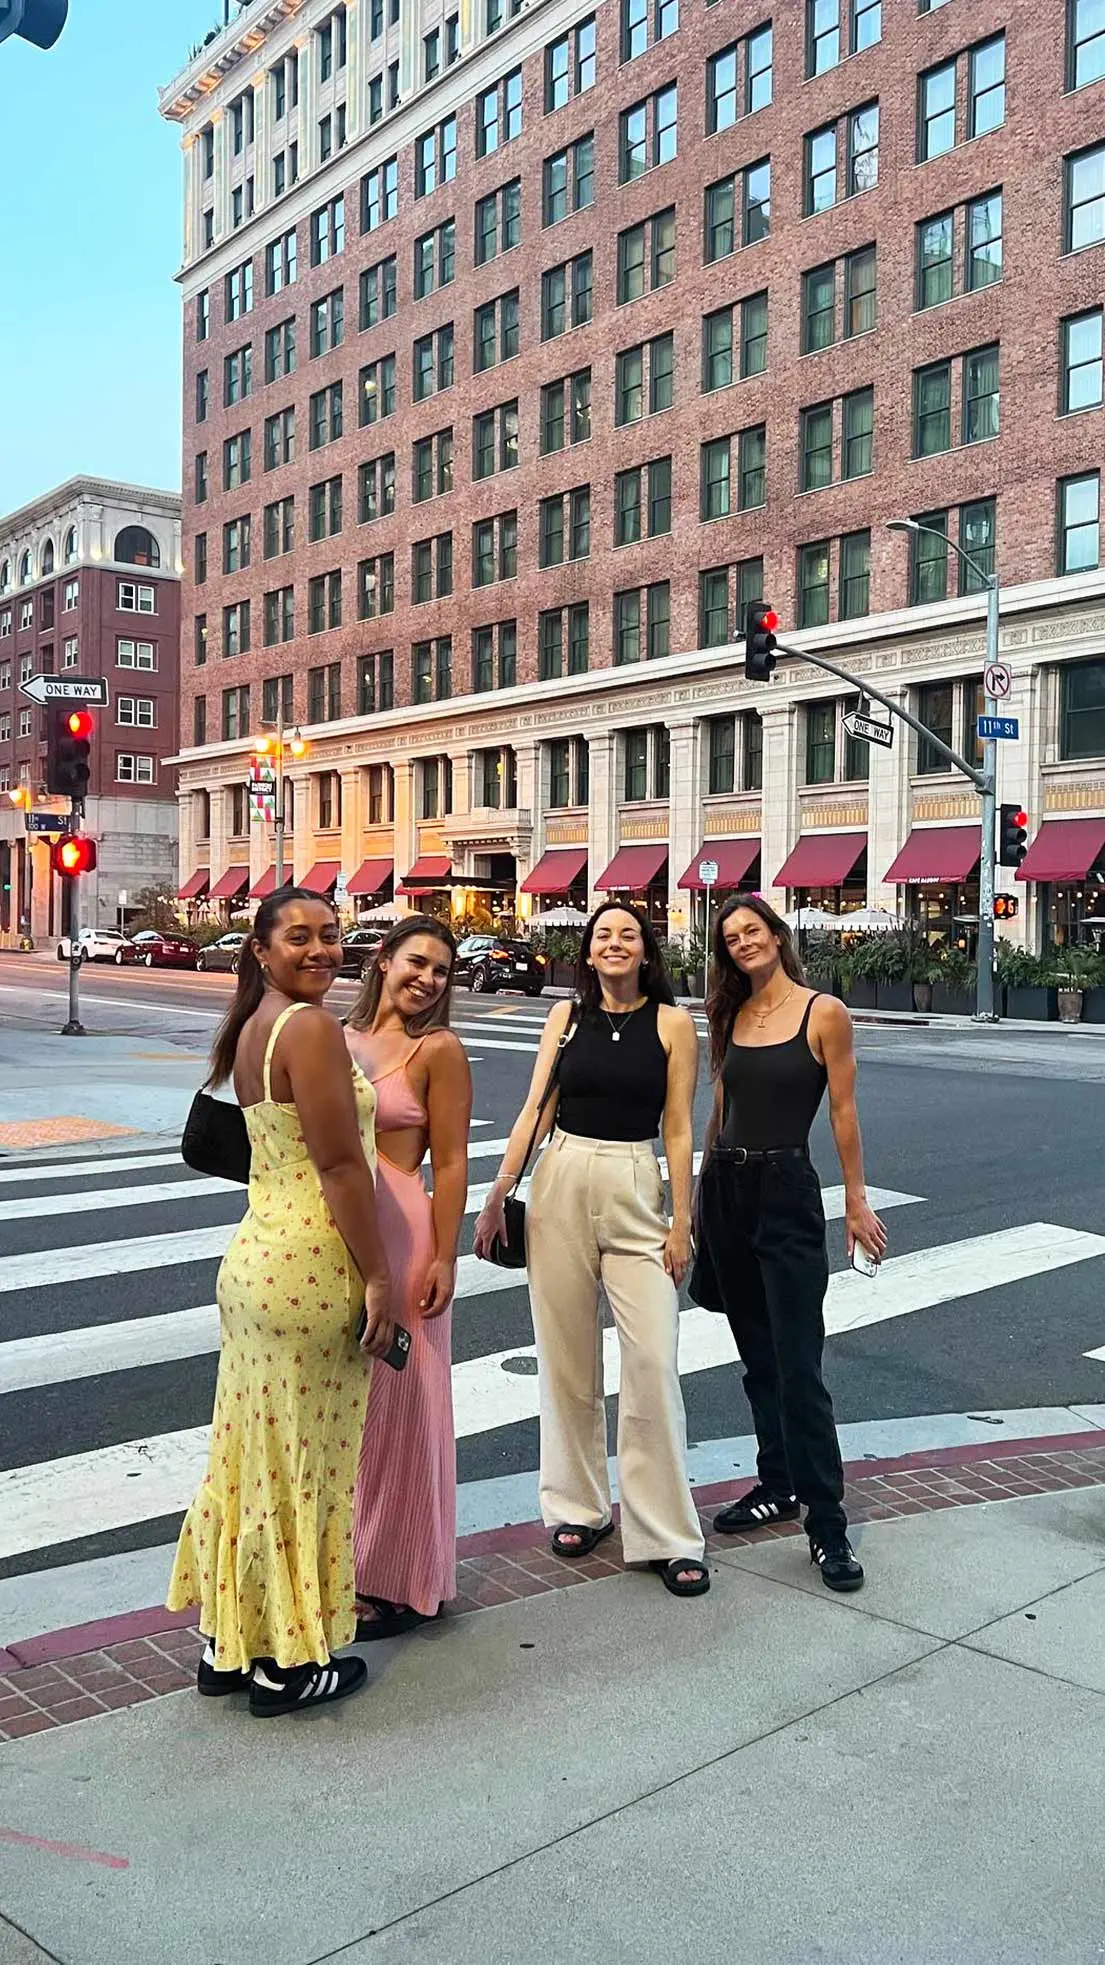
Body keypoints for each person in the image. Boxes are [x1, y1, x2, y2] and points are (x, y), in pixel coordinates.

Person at [167, 887, 394, 1717]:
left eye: (331, 935)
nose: (321, 950)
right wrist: (377, 1276)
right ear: (261, 948)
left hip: (258, 1262)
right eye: (299, 936)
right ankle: (289, 1660)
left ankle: (229, 1641)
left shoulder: (258, 1024)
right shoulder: (309, 1028)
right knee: (306, 1468)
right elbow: (340, 1166)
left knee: (247, 1461)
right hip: (310, 1266)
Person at [474, 901, 709, 1598]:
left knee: (651, 1361)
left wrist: (680, 1220)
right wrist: (498, 1189)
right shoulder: (564, 1018)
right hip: (562, 1176)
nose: (614, 943)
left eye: (626, 935)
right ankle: (579, 1506)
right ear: (589, 951)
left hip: (636, 1178)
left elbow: (677, 1127)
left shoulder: (671, 1023)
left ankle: (665, 1530)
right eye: (602, 934)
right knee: (566, 1356)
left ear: (645, 953)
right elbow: (534, 1109)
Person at [689, 893, 888, 1593]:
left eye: (751, 930)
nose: (741, 942)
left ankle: (826, 1525)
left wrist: (855, 1201)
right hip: (727, 1191)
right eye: (730, 937)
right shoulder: (731, 1012)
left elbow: (841, 1109)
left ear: (776, 936)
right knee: (756, 1358)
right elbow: (720, 1107)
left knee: (800, 1366)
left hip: (785, 1191)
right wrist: (696, 1200)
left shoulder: (821, 1012)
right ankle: (775, 1482)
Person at [344, 916, 472, 1638]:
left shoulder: (438, 1050)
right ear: (384, 958)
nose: (427, 978)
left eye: (441, 971)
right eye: (416, 961)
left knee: (406, 1403)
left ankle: (405, 1578)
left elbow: (449, 1161)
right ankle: (352, 1561)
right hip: (339, 1234)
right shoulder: (334, 1037)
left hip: (405, 1234)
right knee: (353, 1409)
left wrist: (444, 1255)